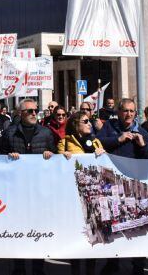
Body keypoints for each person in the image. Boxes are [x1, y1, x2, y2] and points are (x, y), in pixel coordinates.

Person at [96, 98, 148, 275]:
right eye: (125, 111)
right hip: (112, 185)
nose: (128, 114)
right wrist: (118, 139)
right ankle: (112, 263)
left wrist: (142, 145)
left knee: (139, 227)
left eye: (131, 111)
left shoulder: (142, 132)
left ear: (135, 113)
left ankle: (138, 266)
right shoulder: (110, 127)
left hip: (135, 187)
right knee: (113, 225)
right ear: (119, 112)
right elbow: (97, 143)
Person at [1, 99, 55, 275]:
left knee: (37, 231)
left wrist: (51, 154)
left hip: (39, 191)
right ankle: (19, 268)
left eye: (35, 111)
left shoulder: (46, 133)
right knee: (18, 231)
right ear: (20, 114)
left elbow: (56, 157)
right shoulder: (10, 133)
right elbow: (0, 159)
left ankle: (38, 268)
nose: (34, 114)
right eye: (30, 111)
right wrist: (8, 157)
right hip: (17, 191)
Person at [59, 112, 104, 275]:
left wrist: (102, 153)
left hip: (92, 197)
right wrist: (61, 156)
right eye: (85, 121)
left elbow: (104, 165)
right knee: (76, 235)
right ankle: (75, 270)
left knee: (92, 235)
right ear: (76, 124)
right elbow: (58, 167)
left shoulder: (96, 141)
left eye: (90, 121)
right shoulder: (64, 142)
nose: (89, 124)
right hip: (74, 197)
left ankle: (91, 270)